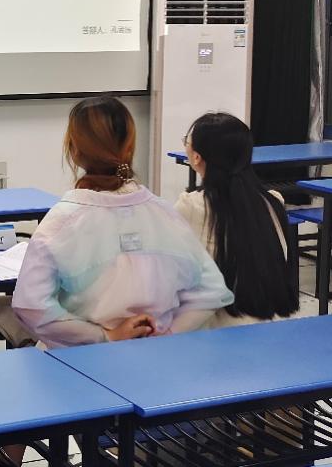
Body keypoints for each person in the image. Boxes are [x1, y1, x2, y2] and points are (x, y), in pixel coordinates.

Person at [12, 96, 233, 348]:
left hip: (82, 362)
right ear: (130, 147)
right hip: (160, 359)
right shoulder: (164, 213)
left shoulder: (61, 222)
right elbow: (212, 290)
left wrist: (105, 336)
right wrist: (169, 331)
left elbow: (30, 306)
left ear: (74, 151)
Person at [176, 112, 298, 329]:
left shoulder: (191, 206)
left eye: (187, 141)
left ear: (196, 157)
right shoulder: (273, 201)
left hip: (218, 329)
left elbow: (174, 275)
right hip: (274, 323)